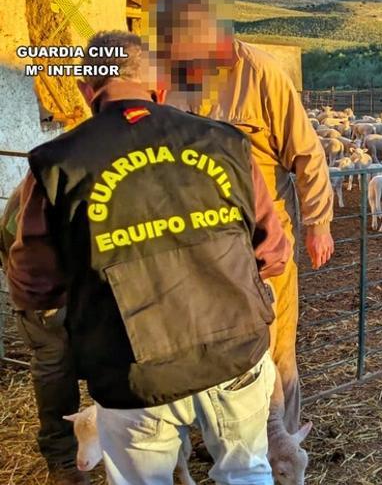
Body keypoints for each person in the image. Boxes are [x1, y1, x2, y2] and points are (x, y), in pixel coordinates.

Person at [6, 30, 290, 484]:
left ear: (85, 91)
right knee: (247, 473)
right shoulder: (226, 142)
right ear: (159, 87)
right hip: (234, 351)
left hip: (131, 369)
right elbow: (273, 254)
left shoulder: (57, 163)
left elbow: (31, 282)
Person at [150, 0, 335, 434]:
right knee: (213, 345)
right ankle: (225, 439)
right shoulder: (172, 77)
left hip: (263, 240)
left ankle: (283, 444)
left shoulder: (261, 73)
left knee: (275, 347)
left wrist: (319, 223)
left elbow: (307, 153)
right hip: (198, 241)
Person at [1, 187, 86, 485]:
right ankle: (63, 457)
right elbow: (21, 244)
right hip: (46, 285)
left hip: (93, 275)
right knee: (55, 362)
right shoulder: (42, 185)